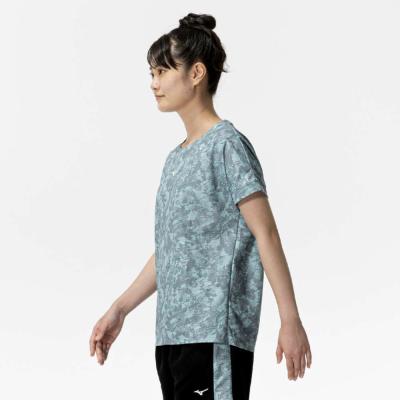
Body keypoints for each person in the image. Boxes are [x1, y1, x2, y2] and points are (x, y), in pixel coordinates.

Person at [89, 12, 312, 400]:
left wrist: (289, 319)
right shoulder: (175, 160)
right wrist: (119, 309)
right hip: (171, 339)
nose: (154, 83)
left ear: (195, 73)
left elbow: (266, 234)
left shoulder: (227, 147)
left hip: (213, 336)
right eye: (151, 73)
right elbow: (171, 251)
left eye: (162, 71)